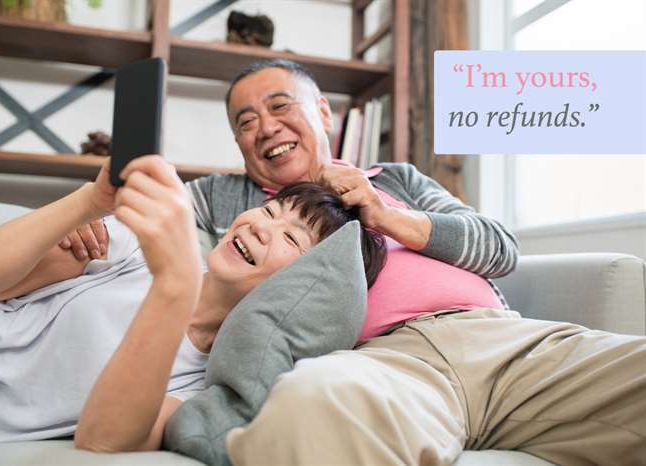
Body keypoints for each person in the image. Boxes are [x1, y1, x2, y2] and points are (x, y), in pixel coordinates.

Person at [62, 60, 645, 465]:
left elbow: (500, 247)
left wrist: (388, 216)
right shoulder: (226, 201)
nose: (264, 127)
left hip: (499, 342)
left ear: (321, 110)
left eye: (278, 105)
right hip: (380, 364)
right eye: (245, 122)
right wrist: (89, 215)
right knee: (316, 411)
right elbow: (139, 214)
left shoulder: (396, 179)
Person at [0, 156, 387, 450]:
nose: (261, 227)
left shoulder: (210, 386)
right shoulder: (135, 243)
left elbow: (101, 438)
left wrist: (173, 288)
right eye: (270, 212)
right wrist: (88, 203)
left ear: (305, 286)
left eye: (292, 237)